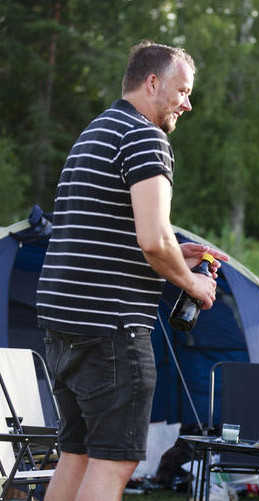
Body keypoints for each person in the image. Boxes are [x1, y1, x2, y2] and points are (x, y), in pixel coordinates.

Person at [36, 41, 229, 501]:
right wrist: (194, 283)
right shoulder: (146, 137)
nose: (188, 102)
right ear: (152, 83)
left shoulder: (96, 131)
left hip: (64, 322)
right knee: (113, 464)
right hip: (111, 329)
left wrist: (173, 253)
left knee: (76, 455)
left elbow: (106, 231)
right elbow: (151, 240)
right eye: (182, 90)